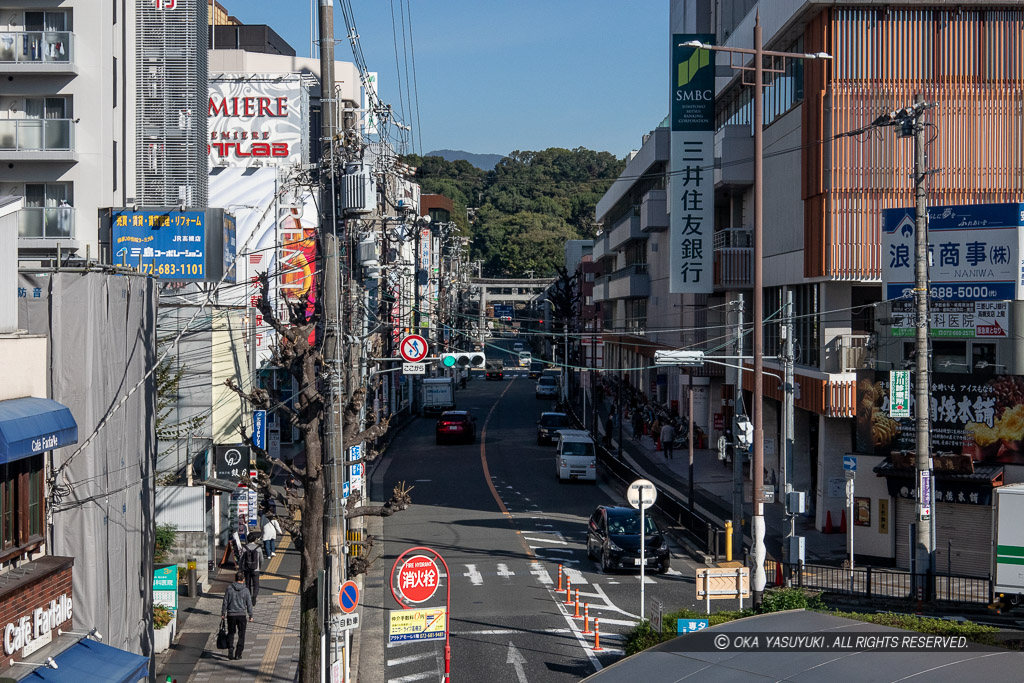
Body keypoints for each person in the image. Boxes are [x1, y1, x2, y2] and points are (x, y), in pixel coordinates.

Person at [221, 571, 254, 660]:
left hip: (231, 615)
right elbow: (249, 604)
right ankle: (238, 653)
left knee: (231, 632)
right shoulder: (246, 590)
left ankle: (230, 648)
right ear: (243, 580)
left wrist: (223, 613)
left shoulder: (229, 588)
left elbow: (225, 602)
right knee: (241, 634)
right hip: (241, 615)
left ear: (235, 579)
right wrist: (250, 615)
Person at [239, 534, 264, 605]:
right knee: (256, 584)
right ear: (254, 539)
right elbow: (261, 559)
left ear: (248, 539)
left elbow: (241, 559)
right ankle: (254, 597)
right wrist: (260, 567)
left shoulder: (244, 548)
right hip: (256, 569)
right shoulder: (258, 548)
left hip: (246, 569)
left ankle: (248, 597)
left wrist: (240, 569)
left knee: (247, 583)